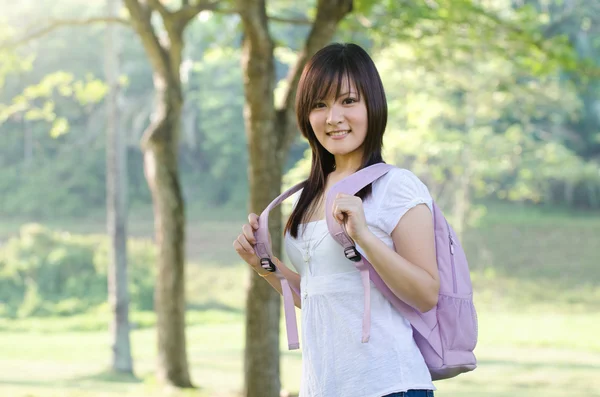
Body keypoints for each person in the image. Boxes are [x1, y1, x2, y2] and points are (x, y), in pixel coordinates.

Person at [233, 42, 439, 397]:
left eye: (348, 101)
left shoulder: (396, 187)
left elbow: (425, 294)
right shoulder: (305, 196)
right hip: (324, 386)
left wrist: (365, 238)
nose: (333, 118)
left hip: (389, 386)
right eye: (319, 104)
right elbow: (321, 294)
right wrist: (264, 266)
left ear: (372, 105)